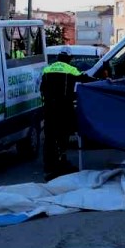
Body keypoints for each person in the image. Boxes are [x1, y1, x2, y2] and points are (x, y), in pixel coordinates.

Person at [39, 51, 93, 179]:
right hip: (64, 108)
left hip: (49, 108)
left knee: (49, 136)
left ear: (58, 58)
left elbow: (42, 88)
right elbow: (85, 79)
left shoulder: (47, 69)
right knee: (63, 134)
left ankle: (49, 164)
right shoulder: (71, 69)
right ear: (68, 59)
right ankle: (61, 161)